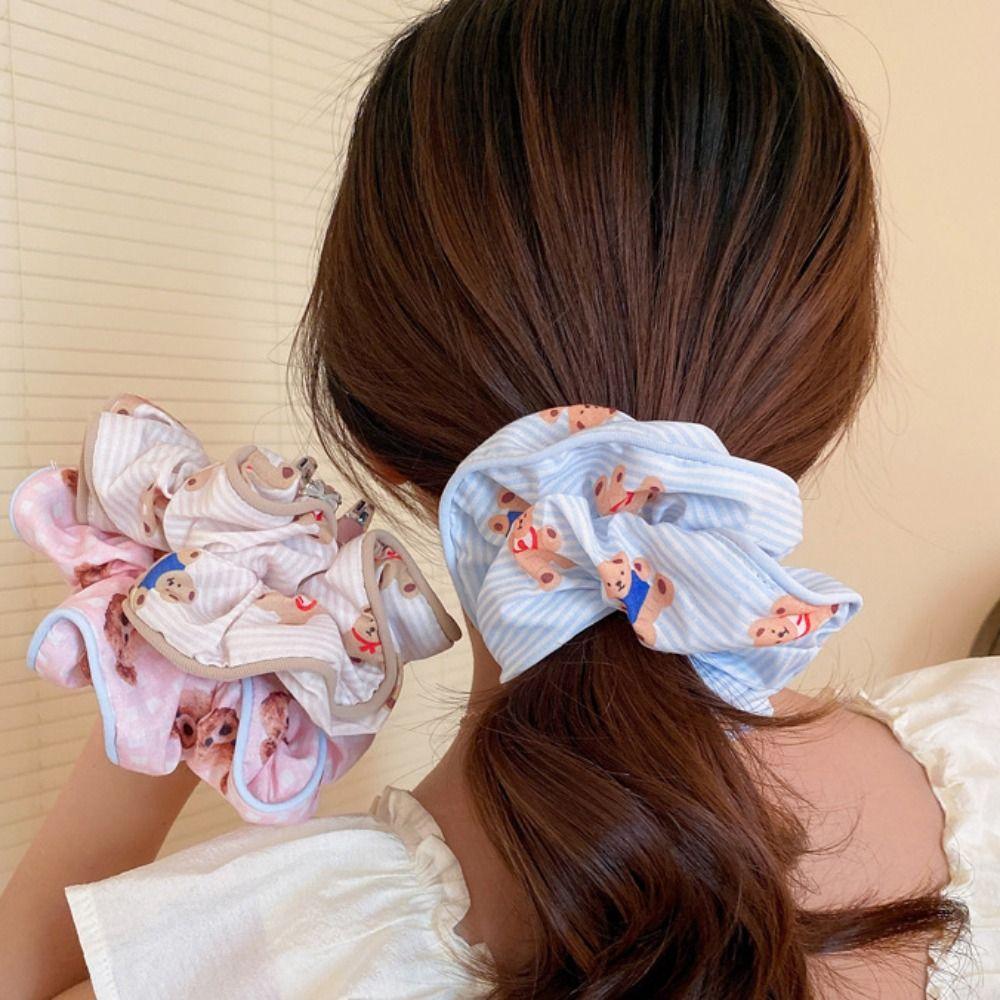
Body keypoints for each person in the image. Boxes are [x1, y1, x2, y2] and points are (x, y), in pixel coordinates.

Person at [1, 1, 994, 997]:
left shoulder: (283, 955)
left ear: (371, 433)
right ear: (821, 397)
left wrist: (165, 671)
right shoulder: (981, 743)